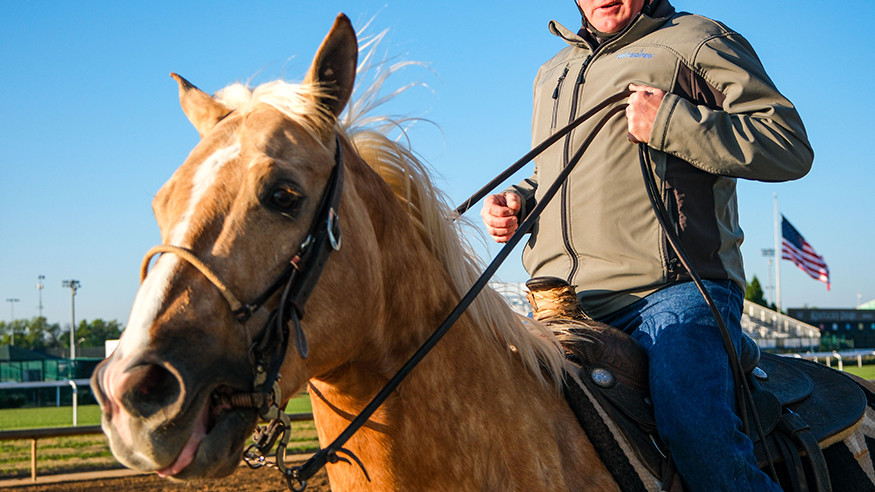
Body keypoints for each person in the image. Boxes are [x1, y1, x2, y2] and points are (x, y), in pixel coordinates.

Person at [481, 0, 813, 490]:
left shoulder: (697, 39)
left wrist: (671, 121)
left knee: (697, 436)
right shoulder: (552, 72)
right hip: (560, 305)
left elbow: (788, 144)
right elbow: (554, 174)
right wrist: (521, 202)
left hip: (675, 294)